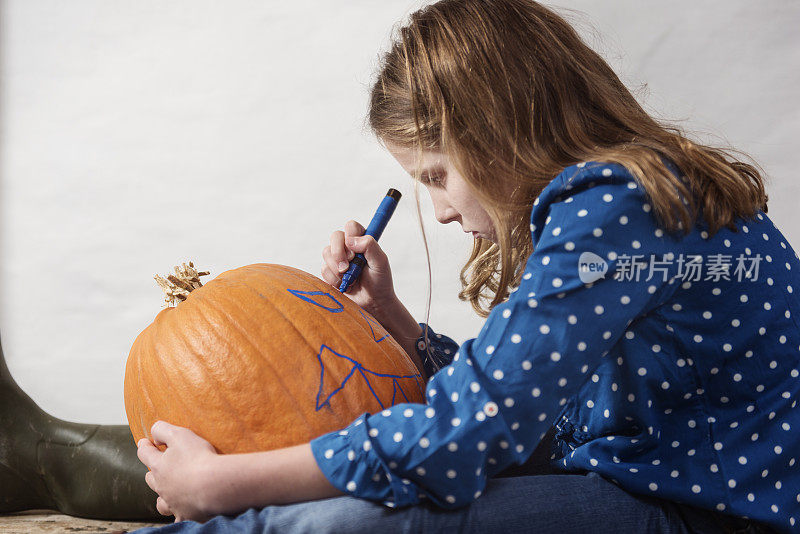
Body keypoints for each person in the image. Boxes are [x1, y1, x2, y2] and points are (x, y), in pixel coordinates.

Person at [133, 0, 798, 532]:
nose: (443, 211)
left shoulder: (614, 208)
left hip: (711, 515)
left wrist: (223, 484)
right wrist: (392, 320)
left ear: (496, 130)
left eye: (437, 174)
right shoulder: (641, 191)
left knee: (349, 520)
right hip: (656, 481)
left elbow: (471, 433)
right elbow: (535, 406)